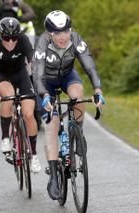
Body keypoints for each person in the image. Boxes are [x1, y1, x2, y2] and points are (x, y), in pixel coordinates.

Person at [32, 10, 105, 200]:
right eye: (57, 33)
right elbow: (37, 74)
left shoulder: (75, 38)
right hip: (45, 83)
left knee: (78, 95)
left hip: (66, 76)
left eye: (65, 31)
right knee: (52, 123)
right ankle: (54, 175)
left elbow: (89, 65)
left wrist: (97, 89)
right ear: (49, 34)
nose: (63, 37)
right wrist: (45, 95)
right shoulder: (42, 43)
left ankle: (77, 131)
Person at [0, 17, 41, 173]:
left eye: (14, 38)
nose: (10, 42)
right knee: (8, 95)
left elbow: (33, 63)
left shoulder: (23, 40)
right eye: (6, 38)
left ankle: (34, 155)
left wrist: (40, 83)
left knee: (29, 114)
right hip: (2, 77)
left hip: (21, 75)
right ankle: (5, 138)